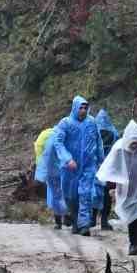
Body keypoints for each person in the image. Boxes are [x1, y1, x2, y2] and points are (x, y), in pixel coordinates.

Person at [42, 96, 103, 235]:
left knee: (85, 193)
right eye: (80, 108)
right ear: (75, 108)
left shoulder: (92, 122)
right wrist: (67, 159)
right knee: (71, 196)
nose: (83, 110)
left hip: (88, 165)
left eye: (85, 108)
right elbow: (58, 142)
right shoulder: (65, 123)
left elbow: (98, 141)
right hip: (69, 167)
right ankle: (76, 221)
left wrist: (101, 159)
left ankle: (84, 225)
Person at [99, 120, 137, 257]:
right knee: (132, 216)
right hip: (127, 188)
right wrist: (111, 187)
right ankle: (134, 243)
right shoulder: (119, 149)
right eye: (133, 143)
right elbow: (112, 168)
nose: (135, 145)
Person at [95, 109, 118, 231]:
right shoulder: (113, 132)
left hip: (100, 168)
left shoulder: (93, 131)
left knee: (98, 195)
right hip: (105, 168)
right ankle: (102, 221)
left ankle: (96, 219)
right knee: (104, 196)